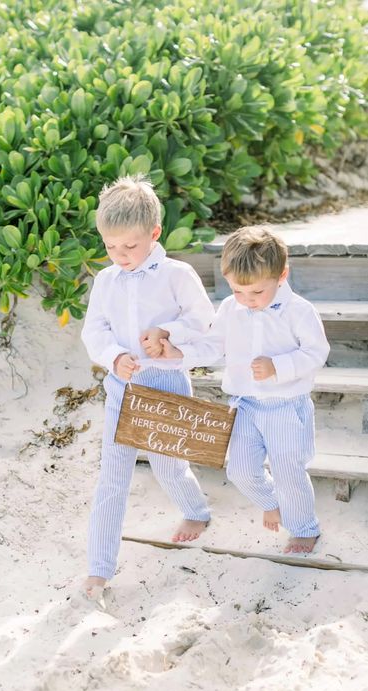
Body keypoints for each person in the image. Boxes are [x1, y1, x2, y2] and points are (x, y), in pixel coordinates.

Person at [150, 226, 330, 554]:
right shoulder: (232, 310)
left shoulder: (299, 311)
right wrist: (180, 354)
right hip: (245, 405)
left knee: (289, 470)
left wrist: (279, 366)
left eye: (257, 293)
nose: (247, 301)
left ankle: (304, 528)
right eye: (238, 292)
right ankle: (271, 502)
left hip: (286, 406)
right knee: (240, 469)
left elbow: (317, 353)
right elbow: (213, 345)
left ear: (281, 275)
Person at [81, 175, 215, 595]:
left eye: (130, 246)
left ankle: (196, 510)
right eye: (110, 246)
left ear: (154, 234)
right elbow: (94, 331)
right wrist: (114, 358)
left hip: (168, 385)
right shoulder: (106, 281)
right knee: (112, 478)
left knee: (168, 465)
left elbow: (204, 322)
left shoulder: (177, 274)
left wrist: (168, 332)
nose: (119, 255)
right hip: (122, 389)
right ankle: (99, 567)